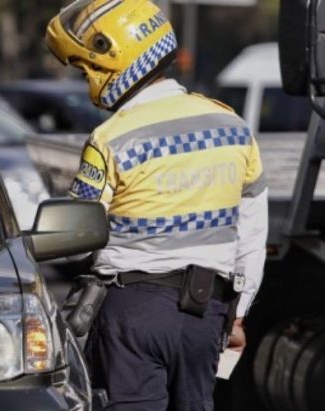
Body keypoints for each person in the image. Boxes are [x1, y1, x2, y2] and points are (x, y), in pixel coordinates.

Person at [46, 1, 268, 410]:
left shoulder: (110, 138)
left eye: (85, 70)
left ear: (110, 62)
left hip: (133, 314)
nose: (85, 81)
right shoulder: (234, 127)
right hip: (206, 315)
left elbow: (74, 232)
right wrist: (238, 313)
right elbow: (252, 231)